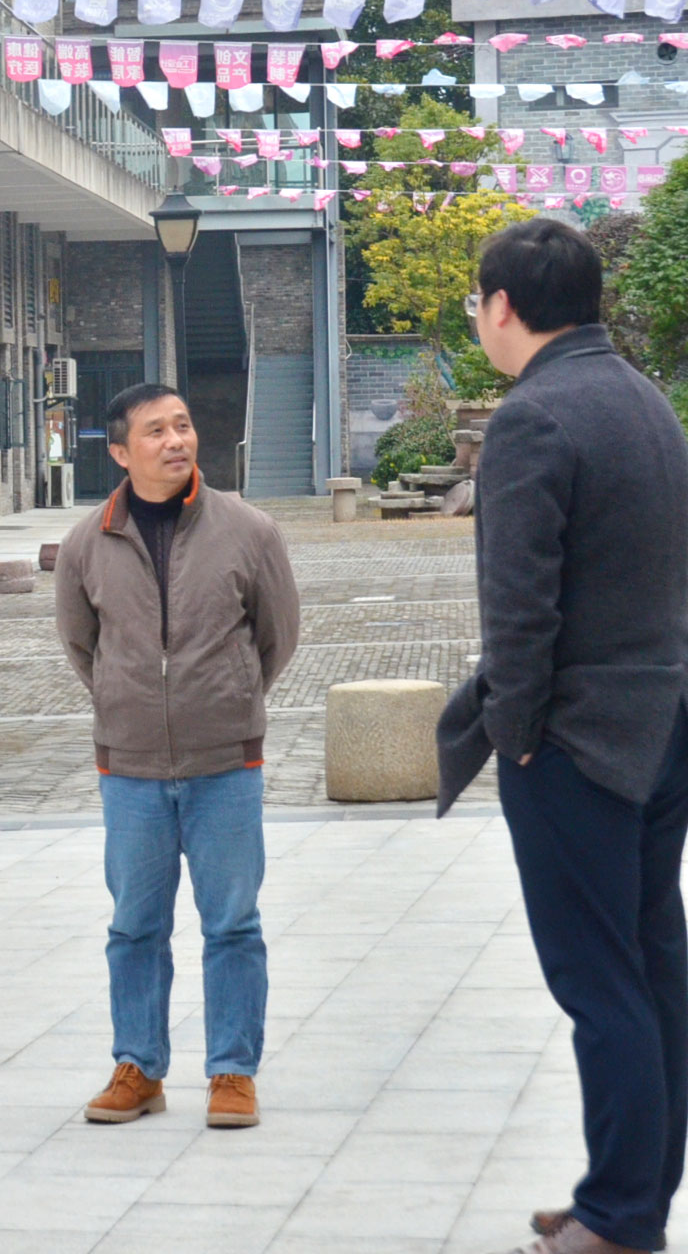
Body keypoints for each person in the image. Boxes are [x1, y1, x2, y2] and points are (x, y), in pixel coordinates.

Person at [437, 219, 688, 1254]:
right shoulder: (643, 398)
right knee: (651, 966)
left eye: (475, 303)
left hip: (577, 741)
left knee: (599, 981)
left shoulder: (533, 416)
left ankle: (619, 1218)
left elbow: (519, 608)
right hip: (660, 724)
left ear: (502, 305)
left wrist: (516, 733)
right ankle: (627, 1197)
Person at [54, 382, 299, 1132]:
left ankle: (233, 1071)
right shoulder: (86, 542)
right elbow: (81, 645)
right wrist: (129, 701)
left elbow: (278, 635)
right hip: (129, 768)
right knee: (134, 926)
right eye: (156, 431)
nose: (176, 441)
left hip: (225, 763)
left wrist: (227, 698)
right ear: (120, 453)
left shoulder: (249, 530)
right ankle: (138, 1067)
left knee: (232, 923)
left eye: (183, 425)